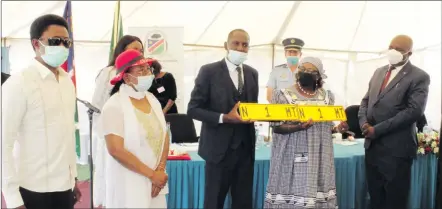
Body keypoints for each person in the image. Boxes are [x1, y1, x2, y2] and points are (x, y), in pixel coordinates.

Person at [1, 14, 81, 209]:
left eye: (66, 42)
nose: (62, 47)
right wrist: (13, 199)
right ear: (36, 44)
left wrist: (74, 178)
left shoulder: (66, 83)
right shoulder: (19, 84)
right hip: (32, 190)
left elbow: (67, 135)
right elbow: (4, 144)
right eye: (55, 41)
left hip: (64, 188)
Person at [187, 29, 259, 209]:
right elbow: (193, 109)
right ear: (226, 45)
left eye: (245, 45)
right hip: (217, 152)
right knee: (214, 202)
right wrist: (224, 118)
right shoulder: (208, 71)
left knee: (243, 203)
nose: (241, 48)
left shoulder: (252, 73)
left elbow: (252, 108)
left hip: (245, 151)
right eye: (236, 44)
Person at [358, 35, 430, 209]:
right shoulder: (379, 72)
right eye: (391, 47)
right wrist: (364, 124)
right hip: (373, 149)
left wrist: (378, 129)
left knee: (394, 201)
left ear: (409, 53)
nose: (393, 51)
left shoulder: (419, 76)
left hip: (397, 152)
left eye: (399, 49)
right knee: (375, 198)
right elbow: (365, 102)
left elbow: (414, 111)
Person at [265, 57, 346, 208]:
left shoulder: (328, 97)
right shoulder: (282, 95)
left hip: (320, 157)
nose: (306, 73)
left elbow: (325, 128)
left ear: (319, 75)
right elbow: (276, 127)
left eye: (312, 71)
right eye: (303, 70)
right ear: (297, 72)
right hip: (290, 155)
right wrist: (298, 127)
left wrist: (338, 129)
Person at [100, 49, 169, 208]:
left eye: (147, 69)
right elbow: (116, 150)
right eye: (141, 70)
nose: (147, 73)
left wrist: (159, 171)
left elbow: (164, 134)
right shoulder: (114, 106)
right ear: (126, 77)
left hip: (155, 182)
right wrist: (152, 175)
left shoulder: (152, 99)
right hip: (129, 181)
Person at [90, 35, 143, 206]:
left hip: (134, 136)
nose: (139, 53)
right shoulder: (109, 72)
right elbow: (97, 104)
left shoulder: (141, 73)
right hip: (113, 136)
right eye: (134, 49)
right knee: (112, 183)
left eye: (141, 50)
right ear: (122, 51)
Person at [266, 37, 304, 102]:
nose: (292, 54)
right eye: (289, 52)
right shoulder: (276, 71)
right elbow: (269, 95)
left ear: (300, 54)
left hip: (300, 109)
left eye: (295, 52)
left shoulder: (306, 72)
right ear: (285, 54)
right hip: (280, 110)